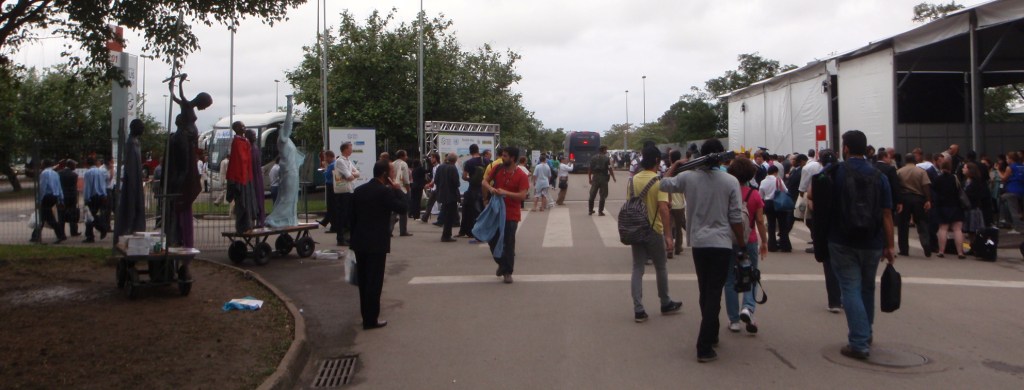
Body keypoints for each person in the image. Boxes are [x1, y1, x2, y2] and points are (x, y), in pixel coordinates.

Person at [809, 130, 894, 360]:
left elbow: (818, 200)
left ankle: (858, 342)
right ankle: (866, 334)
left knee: (850, 288)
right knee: (868, 287)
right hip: (873, 241)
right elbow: (887, 213)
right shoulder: (880, 176)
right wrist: (890, 245)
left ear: (845, 148)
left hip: (842, 240)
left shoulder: (834, 172)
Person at [660, 139, 746, 363]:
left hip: (699, 243)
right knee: (713, 293)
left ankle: (712, 333)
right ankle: (704, 345)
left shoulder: (689, 178)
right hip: (721, 244)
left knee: (705, 291)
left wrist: (676, 165)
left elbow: (663, 184)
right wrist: (742, 243)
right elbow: (736, 217)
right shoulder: (730, 181)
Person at [351, 159, 408, 330]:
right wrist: (398, 191)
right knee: (374, 282)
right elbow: (403, 208)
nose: (393, 175)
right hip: (376, 243)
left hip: (360, 242)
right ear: (384, 174)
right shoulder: (385, 192)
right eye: (391, 172)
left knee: (363, 280)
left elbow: (351, 217)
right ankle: (371, 319)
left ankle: (365, 316)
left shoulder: (359, 191)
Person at [628, 146, 683, 323]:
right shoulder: (659, 182)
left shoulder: (633, 180)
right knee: (661, 267)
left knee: (637, 268)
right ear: (657, 161)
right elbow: (664, 209)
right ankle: (665, 302)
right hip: (654, 230)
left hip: (636, 229)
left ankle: (638, 309)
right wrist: (669, 235)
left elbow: (629, 203)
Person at [724, 157, 768, 334]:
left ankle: (734, 320)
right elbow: (759, 221)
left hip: (728, 240)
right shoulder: (754, 194)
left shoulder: (727, 193)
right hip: (749, 241)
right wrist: (764, 241)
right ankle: (748, 309)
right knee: (750, 275)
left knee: (729, 280)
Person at [482, 146, 531, 283]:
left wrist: (505, 193)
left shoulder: (521, 175)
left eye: (505, 156)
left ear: (513, 158)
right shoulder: (497, 169)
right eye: (502, 155)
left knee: (508, 243)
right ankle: (502, 264)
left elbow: (522, 196)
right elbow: (484, 181)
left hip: (511, 214)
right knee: (492, 239)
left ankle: (507, 272)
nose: (502, 158)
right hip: (495, 211)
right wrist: (491, 189)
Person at [116, 119, 147, 238]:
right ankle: (128, 231)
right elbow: (131, 166)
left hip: (136, 181)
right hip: (132, 183)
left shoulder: (136, 143)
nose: (143, 130)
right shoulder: (131, 144)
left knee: (137, 209)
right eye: (141, 127)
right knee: (130, 208)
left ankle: (136, 230)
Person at [896, 153, 932, 257]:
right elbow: (925, 186)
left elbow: (897, 187)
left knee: (903, 225)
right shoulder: (921, 171)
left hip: (904, 199)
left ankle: (904, 249)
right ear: (915, 160)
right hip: (918, 199)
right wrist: (928, 200)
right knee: (922, 223)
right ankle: (926, 244)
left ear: (905, 160)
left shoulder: (899, 171)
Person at [933, 160, 966, 259]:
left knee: (943, 229)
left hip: (943, 206)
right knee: (957, 229)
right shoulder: (955, 178)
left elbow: (935, 193)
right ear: (950, 167)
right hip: (955, 205)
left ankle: (941, 251)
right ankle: (960, 252)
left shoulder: (937, 179)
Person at [226, 121, 255, 234]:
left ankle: (248, 225)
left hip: (246, 176)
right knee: (242, 202)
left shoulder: (244, 141)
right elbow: (239, 160)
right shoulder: (237, 142)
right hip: (240, 177)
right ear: (237, 128)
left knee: (247, 202)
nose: (244, 128)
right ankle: (243, 227)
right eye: (242, 126)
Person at [31, 159, 67, 244]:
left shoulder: (44, 173)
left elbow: (42, 187)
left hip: (46, 197)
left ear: (44, 165)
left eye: (41, 164)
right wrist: (61, 198)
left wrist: (38, 199)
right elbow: (59, 186)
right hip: (54, 197)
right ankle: (35, 235)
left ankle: (61, 235)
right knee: (43, 217)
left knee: (48, 218)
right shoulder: (55, 173)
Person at [334, 142, 360, 246]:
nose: (351, 150)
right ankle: (341, 237)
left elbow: (357, 173)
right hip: (343, 191)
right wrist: (352, 175)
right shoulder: (340, 161)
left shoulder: (348, 160)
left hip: (349, 190)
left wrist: (352, 175)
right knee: (343, 215)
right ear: (345, 149)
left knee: (349, 214)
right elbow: (349, 176)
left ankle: (347, 236)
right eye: (350, 148)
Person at [759, 165, 790, 252]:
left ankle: (772, 246)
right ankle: (785, 246)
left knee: (771, 225)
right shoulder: (778, 180)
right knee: (782, 225)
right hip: (779, 203)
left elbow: (760, 194)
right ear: (776, 172)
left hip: (768, 203)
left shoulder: (763, 181)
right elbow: (785, 190)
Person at [458, 144, 485, 238]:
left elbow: (464, 176)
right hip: (483, 189)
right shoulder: (486, 161)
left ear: (470, 152)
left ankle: (467, 231)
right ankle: (482, 231)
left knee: (468, 210)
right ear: (478, 150)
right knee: (482, 211)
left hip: (472, 189)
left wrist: (471, 179)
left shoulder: (469, 162)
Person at [435, 153, 461, 242]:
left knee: (446, 214)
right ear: (455, 160)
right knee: (450, 216)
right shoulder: (453, 168)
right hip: (451, 195)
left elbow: (436, 180)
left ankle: (446, 234)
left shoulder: (440, 167)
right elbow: (456, 183)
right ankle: (446, 235)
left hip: (442, 194)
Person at [82, 157, 110, 243]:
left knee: (90, 216)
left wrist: (86, 198)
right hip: (101, 196)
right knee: (91, 215)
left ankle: (101, 228)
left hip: (92, 197)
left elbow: (88, 187)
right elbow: (102, 184)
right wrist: (104, 195)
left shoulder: (88, 173)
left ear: (87, 164)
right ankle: (90, 235)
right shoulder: (100, 171)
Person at [389, 150, 413, 237]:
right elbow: (406, 178)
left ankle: (389, 230)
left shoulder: (392, 163)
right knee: (403, 210)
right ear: (402, 156)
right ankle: (403, 230)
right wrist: (408, 189)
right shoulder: (404, 164)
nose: (407, 157)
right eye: (406, 155)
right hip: (402, 189)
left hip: (393, 187)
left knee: (394, 210)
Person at [588, 145, 616, 216]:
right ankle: (600, 211)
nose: (606, 151)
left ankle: (590, 210)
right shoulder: (606, 159)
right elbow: (609, 168)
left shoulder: (593, 158)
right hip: (603, 178)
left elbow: (590, 169)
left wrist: (589, 178)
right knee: (603, 195)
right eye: (606, 150)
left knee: (592, 194)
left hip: (595, 177)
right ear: (603, 150)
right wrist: (613, 177)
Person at [667, 150, 685, 257]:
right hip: (680, 204)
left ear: (671, 158)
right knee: (678, 228)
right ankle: (678, 247)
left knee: (668, 228)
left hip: (669, 203)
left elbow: (666, 186)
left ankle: (669, 249)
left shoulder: (669, 171)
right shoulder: (683, 172)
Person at [57, 159, 81, 238]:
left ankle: (61, 232)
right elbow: (74, 187)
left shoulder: (59, 173)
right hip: (72, 196)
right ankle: (73, 231)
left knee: (61, 215)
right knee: (73, 214)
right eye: (74, 165)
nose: (75, 166)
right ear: (70, 165)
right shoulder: (74, 175)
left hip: (62, 196)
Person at [420, 153, 441, 224]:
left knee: (441, 204)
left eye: (432, 158)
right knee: (430, 203)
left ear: (435, 158)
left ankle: (440, 219)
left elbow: (436, 178)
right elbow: (434, 178)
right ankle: (425, 218)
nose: (431, 159)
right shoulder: (434, 168)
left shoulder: (438, 167)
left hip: (439, 188)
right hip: (435, 188)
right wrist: (430, 184)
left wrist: (429, 184)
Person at [320, 150, 338, 230]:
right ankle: (326, 221)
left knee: (331, 205)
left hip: (330, 185)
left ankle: (333, 224)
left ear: (329, 157)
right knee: (332, 205)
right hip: (333, 185)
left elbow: (327, 176)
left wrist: (324, 170)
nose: (325, 159)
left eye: (325, 157)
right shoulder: (335, 164)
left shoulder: (331, 165)